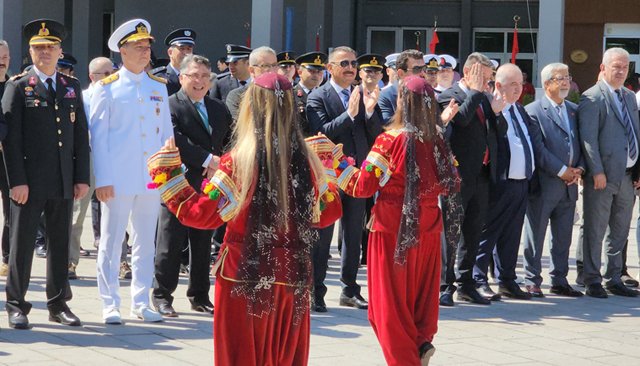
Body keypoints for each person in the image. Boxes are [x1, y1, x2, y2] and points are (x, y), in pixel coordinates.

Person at [147, 72, 342, 365]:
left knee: (241, 355)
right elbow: (329, 213)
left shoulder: (239, 161)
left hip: (244, 274)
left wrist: (169, 174)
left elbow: (201, 215)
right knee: (285, 355)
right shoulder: (309, 160)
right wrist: (329, 169)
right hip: (292, 275)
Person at [335, 75, 460, 365]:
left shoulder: (389, 140)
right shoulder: (438, 138)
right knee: (421, 296)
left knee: (387, 304)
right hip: (429, 224)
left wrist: (336, 164)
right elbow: (451, 181)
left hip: (392, 226)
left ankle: (405, 358)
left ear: (403, 101)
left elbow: (363, 186)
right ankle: (420, 341)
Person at [3, 19, 89, 329]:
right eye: (39, 48)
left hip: (63, 179)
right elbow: (10, 141)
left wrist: (81, 177)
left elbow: (80, 134)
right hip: (30, 181)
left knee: (60, 241)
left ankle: (58, 303)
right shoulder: (18, 86)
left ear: (60, 51)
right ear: (30, 52)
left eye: (50, 47)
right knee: (22, 243)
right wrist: (17, 181)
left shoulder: (69, 86)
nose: (45, 53)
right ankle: (16, 304)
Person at [91, 18, 174, 324]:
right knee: (113, 242)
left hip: (151, 178)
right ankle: (109, 302)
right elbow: (98, 139)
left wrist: (169, 176)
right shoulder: (107, 88)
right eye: (138, 47)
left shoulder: (158, 87)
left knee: (145, 241)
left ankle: (140, 300)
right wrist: (103, 178)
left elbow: (167, 135)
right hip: (118, 176)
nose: (145, 52)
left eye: (147, 46)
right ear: (122, 51)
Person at [153, 54, 231, 317]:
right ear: (182, 77)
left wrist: (224, 163)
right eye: (193, 76)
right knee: (170, 243)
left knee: (202, 244)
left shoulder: (219, 108)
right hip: (178, 185)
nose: (199, 82)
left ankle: (199, 295)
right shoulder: (169, 105)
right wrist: (208, 159)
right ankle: (162, 295)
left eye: (204, 77)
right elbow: (175, 139)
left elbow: (229, 140)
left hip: (210, 186)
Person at [307, 46, 383, 311]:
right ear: (330, 68)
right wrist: (349, 115)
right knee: (323, 235)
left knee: (353, 233)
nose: (351, 68)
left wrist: (371, 112)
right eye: (344, 64)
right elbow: (322, 132)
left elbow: (375, 134)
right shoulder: (318, 96)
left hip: (356, 175)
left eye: (353, 63)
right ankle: (315, 291)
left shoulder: (362, 94)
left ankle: (350, 289)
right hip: (328, 177)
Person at [437, 53, 506, 306]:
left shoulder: (483, 97)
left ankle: (466, 283)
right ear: (468, 73)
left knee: (473, 232)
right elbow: (462, 121)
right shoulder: (449, 95)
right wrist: (477, 92)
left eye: (490, 80)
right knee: (451, 232)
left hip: (482, 176)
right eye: (484, 79)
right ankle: (445, 285)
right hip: (458, 176)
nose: (488, 85)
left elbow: (500, 132)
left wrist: (497, 114)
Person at [578, 47, 640, 298]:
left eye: (625, 67)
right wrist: (596, 171)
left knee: (620, 229)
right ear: (603, 68)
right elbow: (588, 139)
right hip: (602, 177)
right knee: (595, 227)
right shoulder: (592, 97)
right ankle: (592, 278)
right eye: (616, 66)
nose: (621, 71)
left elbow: (636, 132)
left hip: (626, 176)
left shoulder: (628, 96)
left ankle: (614, 277)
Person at [474, 63, 536, 300]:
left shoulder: (519, 109)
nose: (518, 89)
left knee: (512, 234)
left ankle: (507, 280)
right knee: (488, 233)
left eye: (520, 84)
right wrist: (495, 113)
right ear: (497, 85)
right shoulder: (489, 107)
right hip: (499, 183)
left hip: (521, 182)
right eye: (512, 84)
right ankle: (478, 278)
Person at [522, 63, 585, 297]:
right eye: (560, 78)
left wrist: (579, 168)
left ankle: (559, 279)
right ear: (547, 83)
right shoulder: (534, 111)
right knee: (535, 234)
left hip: (569, 187)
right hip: (545, 184)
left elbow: (583, 143)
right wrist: (562, 171)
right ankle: (532, 279)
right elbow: (538, 150)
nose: (566, 82)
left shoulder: (574, 110)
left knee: (563, 236)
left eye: (567, 77)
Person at [225, 47, 277, 122]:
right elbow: (237, 127)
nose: (272, 70)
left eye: (274, 65)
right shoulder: (237, 96)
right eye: (265, 66)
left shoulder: (283, 93)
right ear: (252, 70)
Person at [378, 50, 425, 125]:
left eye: (424, 68)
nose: (422, 73)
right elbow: (386, 127)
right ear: (401, 73)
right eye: (417, 69)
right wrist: (400, 111)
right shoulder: (385, 95)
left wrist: (444, 121)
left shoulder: (427, 93)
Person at [293, 51, 327, 136]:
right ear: (300, 72)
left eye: (319, 71)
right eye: (311, 71)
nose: (316, 75)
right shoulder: (290, 95)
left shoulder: (325, 96)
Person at [154, 28, 195, 96]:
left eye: (189, 49)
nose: (186, 53)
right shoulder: (158, 78)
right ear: (170, 52)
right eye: (181, 48)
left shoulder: (197, 76)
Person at [0, 39, 10, 278]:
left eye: (6, 56)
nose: (2, 60)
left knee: (12, 211)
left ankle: (9, 259)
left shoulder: (16, 85)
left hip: (9, 159)